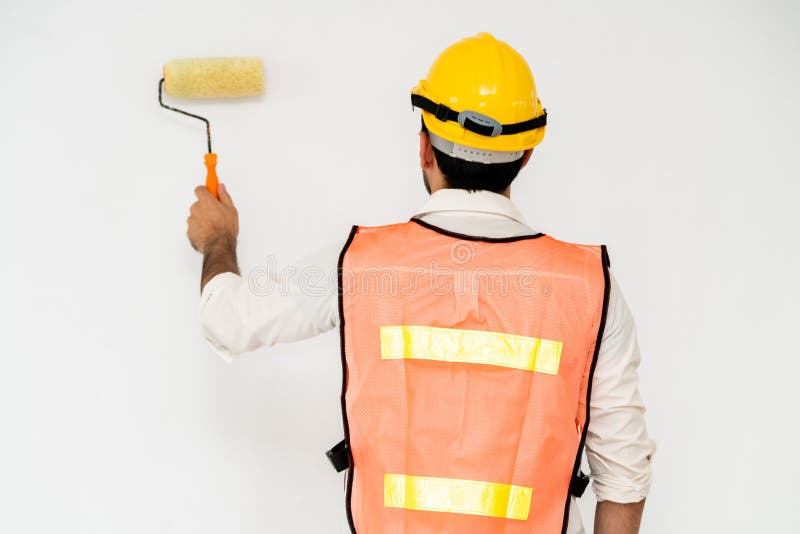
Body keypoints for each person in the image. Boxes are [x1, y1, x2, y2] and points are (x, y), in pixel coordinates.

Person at [186, 32, 654, 534]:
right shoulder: (589, 286)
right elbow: (625, 475)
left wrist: (219, 239)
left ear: (424, 147)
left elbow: (227, 320)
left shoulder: (358, 265)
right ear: (526, 155)